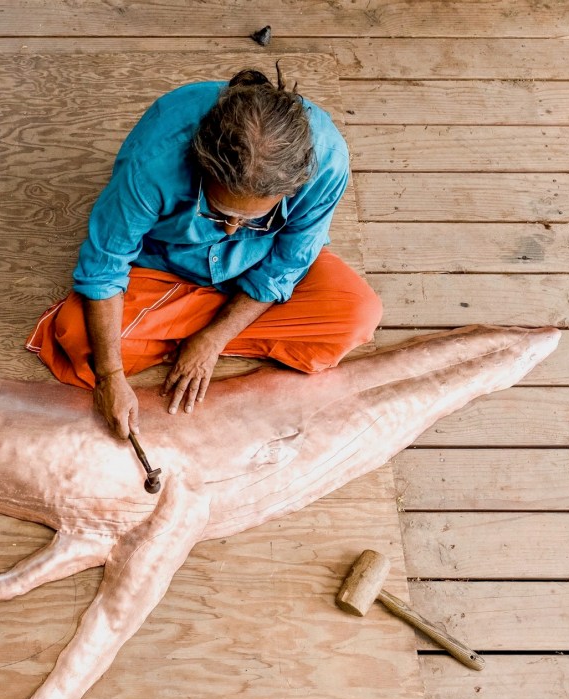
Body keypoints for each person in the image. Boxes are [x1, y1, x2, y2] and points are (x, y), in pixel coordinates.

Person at [26, 66, 382, 439]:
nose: (230, 230)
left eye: (253, 220)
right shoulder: (153, 162)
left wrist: (213, 339)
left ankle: (176, 328)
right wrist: (110, 376)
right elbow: (105, 268)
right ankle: (191, 325)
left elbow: (287, 264)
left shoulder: (327, 161)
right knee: (77, 338)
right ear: (201, 165)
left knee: (358, 315)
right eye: (218, 213)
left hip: (256, 265)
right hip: (166, 264)